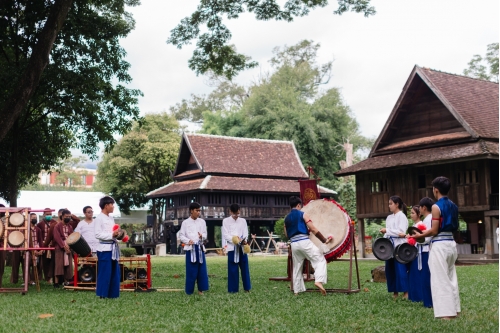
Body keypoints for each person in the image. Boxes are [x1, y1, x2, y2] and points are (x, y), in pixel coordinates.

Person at [411, 176, 461, 319]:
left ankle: (446, 313)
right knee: (451, 277)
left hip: (439, 244)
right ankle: (455, 309)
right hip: (451, 243)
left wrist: (418, 235)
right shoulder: (454, 205)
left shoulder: (436, 206)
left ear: (436, 190)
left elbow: (434, 230)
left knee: (440, 278)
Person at [284, 196, 332, 295]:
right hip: (304, 242)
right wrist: (324, 240)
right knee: (320, 259)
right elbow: (313, 229)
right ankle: (318, 281)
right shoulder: (303, 214)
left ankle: (296, 291)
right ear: (298, 205)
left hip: (294, 244)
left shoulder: (286, 218)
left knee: (297, 267)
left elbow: (286, 234)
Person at [380, 195, 409, 299]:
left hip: (399, 246)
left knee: (400, 269)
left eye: (391, 204)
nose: (389, 206)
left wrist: (387, 231)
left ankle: (406, 292)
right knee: (390, 269)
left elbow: (401, 232)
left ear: (397, 204)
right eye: (389, 204)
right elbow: (387, 233)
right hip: (389, 247)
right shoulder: (389, 217)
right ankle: (395, 292)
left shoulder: (402, 216)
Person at [178, 202, 208, 295]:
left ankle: (201, 290)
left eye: (199, 210)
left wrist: (202, 236)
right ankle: (189, 291)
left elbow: (205, 235)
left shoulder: (202, 222)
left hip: (200, 248)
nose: (198, 212)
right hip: (190, 249)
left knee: (201, 270)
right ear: (191, 211)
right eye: (196, 210)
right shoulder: (185, 223)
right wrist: (188, 241)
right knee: (191, 270)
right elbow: (181, 235)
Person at [94, 196, 121, 299]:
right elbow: (97, 234)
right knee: (105, 272)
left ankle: (113, 294)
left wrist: (118, 235)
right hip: (104, 248)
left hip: (113, 248)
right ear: (106, 206)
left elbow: (113, 232)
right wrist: (111, 235)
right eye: (111, 205)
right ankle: (102, 294)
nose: (113, 207)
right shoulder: (99, 219)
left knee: (115, 272)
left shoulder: (111, 218)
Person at [407, 202, 432, 308]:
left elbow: (424, 238)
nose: (411, 215)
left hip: (423, 250)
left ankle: (425, 300)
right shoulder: (422, 222)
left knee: (423, 275)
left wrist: (413, 238)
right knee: (416, 274)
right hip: (418, 250)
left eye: (413, 213)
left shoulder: (423, 222)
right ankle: (417, 297)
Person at [222, 203, 251, 293]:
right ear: (230, 212)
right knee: (232, 269)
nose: (236, 216)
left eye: (237, 214)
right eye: (234, 214)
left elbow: (245, 233)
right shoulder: (226, 221)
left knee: (245, 268)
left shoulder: (243, 221)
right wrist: (235, 240)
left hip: (242, 247)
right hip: (232, 247)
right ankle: (233, 289)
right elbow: (225, 235)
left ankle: (247, 288)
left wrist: (243, 240)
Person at [53, 209, 74, 287]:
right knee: (59, 265)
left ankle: (66, 281)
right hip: (59, 248)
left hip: (68, 247)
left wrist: (69, 246)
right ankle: (56, 282)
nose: (68, 218)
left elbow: (72, 236)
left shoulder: (70, 226)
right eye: (66, 216)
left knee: (68, 265)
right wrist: (63, 246)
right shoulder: (57, 226)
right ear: (62, 217)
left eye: (69, 216)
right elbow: (57, 237)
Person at [39, 208, 55, 283]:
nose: (49, 216)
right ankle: (47, 278)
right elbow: (39, 235)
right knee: (45, 262)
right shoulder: (40, 224)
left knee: (53, 261)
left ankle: (53, 277)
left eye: (50, 214)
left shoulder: (55, 223)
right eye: (47, 214)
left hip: (53, 245)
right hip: (44, 245)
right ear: (44, 215)